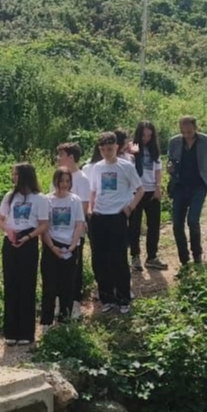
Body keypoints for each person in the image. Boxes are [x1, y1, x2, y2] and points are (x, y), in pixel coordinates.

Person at [86, 131, 143, 313]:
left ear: (117, 147)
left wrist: (129, 208)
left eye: (109, 149)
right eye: (103, 149)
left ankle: (123, 298)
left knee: (118, 258)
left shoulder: (126, 166)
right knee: (100, 258)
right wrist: (90, 209)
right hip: (99, 215)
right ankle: (107, 297)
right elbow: (93, 190)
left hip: (117, 215)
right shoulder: (96, 167)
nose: (106, 153)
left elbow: (140, 190)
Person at [0, 163, 50, 345]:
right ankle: (10, 331)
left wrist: (28, 237)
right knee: (11, 285)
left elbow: (44, 224)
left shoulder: (40, 198)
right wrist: (9, 231)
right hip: (11, 240)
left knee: (27, 285)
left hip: (29, 240)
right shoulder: (9, 196)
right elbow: (1, 219)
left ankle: (26, 332)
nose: (13, 177)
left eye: (16, 174)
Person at [166, 115, 207, 266]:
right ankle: (184, 260)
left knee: (193, 220)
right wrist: (170, 168)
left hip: (199, 186)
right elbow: (170, 161)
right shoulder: (174, 142)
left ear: (195, 128)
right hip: (180, 186)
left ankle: (197, 256)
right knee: (177, 224)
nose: (186, 135)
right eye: (183, 132)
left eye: (189, 132)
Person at [41, 167, 86, 328]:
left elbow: (79, 224)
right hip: (51, 245)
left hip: (70, 247)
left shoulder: (75, 200)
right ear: (56, 181)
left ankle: (64, 321)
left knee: (68, 286)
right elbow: (44, 226)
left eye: (67, 181)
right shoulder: (47, 200)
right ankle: (46, 322)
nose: (64, 184)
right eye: (61, 181)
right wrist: (52, 246)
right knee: (49, 286)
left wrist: (73, 245)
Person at [128, 121, 167, 272]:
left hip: (151, 191)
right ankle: (135, 256)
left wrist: (158, 187)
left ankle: (152, 256)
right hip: (136, 191)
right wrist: (132, 153)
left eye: (149, 135)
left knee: (154, 225)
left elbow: (158, 169)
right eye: (144, 135)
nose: (146, 138)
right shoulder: (131, 149)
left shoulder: (154, 150)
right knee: (135, 225)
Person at [56, 141, 91, 304]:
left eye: (61, 155)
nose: (58, 158)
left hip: (74, 232)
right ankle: (59, 300)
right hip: (56, 232)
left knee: (74, 267)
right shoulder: (58, 177)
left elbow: (83, 207)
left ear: (71, 157)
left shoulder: (81, 179)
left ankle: (75, 300)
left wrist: (75, 230)